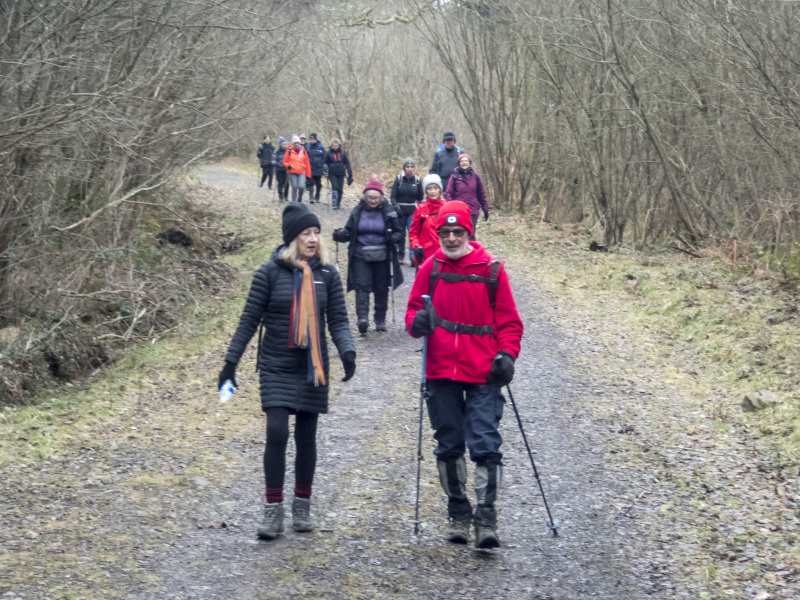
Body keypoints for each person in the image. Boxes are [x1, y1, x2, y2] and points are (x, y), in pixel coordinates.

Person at [218, 203, 357, 540]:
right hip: (276, 364)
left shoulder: (328, 273)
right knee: (277, 432)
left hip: (312, 367)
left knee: (306, 437)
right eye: (305, 234)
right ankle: (272, 511)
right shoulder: (269, 272)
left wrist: (347, 351)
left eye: (315, 233)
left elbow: (337, 320)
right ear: (292, 239)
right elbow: (249, 320)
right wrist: (230, 363)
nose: (312, 239)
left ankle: (302, 506)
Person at [405, 200, 523, 549]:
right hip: (441, 370)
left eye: (458, 232)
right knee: (448, 442)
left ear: (469, 233)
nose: (452, 238)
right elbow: (412, 312)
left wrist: (506, 355)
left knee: (485, 442)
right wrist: (417, 323)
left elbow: (510, 323)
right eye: (445, 232)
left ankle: (486, 518)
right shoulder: (430, 268)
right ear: (437, 233)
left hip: (484, 371)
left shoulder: (492, 269)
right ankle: (458, 512)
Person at [333, 178, 403, 335]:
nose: (372, 200)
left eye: (376, 198)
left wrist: (394, 238)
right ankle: (362, 319)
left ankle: (380, 320)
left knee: (381, 287)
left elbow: (399, 232)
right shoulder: (357, 211)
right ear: (364, 197)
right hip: (360, 255)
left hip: (382, 256)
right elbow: (349, 232)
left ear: (381, 198)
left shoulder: (389, 211)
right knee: (362, 286)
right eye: (370, 197)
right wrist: (339, 235)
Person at [444, 153, 489, 240]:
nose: (464, 163)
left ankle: (473, 253)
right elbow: (449, 194)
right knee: (460, 234)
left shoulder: (476, 177)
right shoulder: (454, 177)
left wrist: (485, 209)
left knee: (471, 234)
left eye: (466, 161)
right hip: (459, 211)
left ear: (469, 163)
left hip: (473, 210)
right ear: (459, 163)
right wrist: (448, 210)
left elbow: (481, 194)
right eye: (462, 161)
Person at [389, 157, 424, 264]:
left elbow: (420, 197)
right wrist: (397, 208)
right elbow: (393, 197)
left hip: (412, 211)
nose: (409, 169)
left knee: (412, 234)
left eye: (411, 167)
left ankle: (413, 257)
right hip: (400, 212)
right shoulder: (399, 179)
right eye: (407, 167)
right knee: (401, 234)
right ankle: (400, 255)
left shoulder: (417, 180)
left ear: (414, 168)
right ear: (404, 168)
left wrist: (418, 209)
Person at [408, 174, 446, 268]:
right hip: (425, 256)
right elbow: (413, 233)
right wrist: (416, 247)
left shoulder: (447, 207)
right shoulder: (420, 209)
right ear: (425, 191)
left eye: (435, 188)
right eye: (429, 188)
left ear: (440, 189)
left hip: (445, 255)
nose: (433, 191)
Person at [324, 138, 353, 210]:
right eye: (333, 145)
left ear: (338, 145)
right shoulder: (328, 153)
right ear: (331, 145)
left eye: (336, 145)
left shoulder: (343, 152)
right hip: (332, 173)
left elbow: (347, 162)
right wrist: (325, 168)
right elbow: (324, 162)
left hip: (341, 173)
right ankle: (334, 203)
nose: (335, 147)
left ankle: (338, 203)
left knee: (340, 189)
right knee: (335, 187)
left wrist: (349, 171)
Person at [283, 135, 312, 202]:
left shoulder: (304, 151)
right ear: (293, 144)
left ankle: (299, 199)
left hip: (302, 172)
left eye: (297, 143)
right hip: (292, 172)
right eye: (295, 143)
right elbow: (284, 161)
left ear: (299, 143)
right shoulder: (289, 151)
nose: (296, 144)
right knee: (294, 187)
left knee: (301, 186)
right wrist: (288, 166)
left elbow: (307, 163)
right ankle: (294, 202)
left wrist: (308, 174)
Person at [304, 133, 327, 203]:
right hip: (310, 167)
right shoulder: (307, 147)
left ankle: (317, 196)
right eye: (310, 139)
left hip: (319, 168)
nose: (312, 141)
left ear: (315, 139)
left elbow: (325, 157)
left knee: (318, 184)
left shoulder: (320, 147)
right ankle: (311, 197)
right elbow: (304, 156)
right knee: (311, 183)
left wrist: (324, 166)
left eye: (313, 139)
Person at [272, 137, 290, 201]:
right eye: (283, 144)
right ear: (280, 145)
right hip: (278, 170)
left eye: (285, 144)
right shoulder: (276, 152)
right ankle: (280, 196)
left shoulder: (288, 152)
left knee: (286, 184)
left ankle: (286, 195)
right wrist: (276, 164)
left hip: (286, 170)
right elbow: (273, 160)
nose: (284, 146)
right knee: (280, 183)